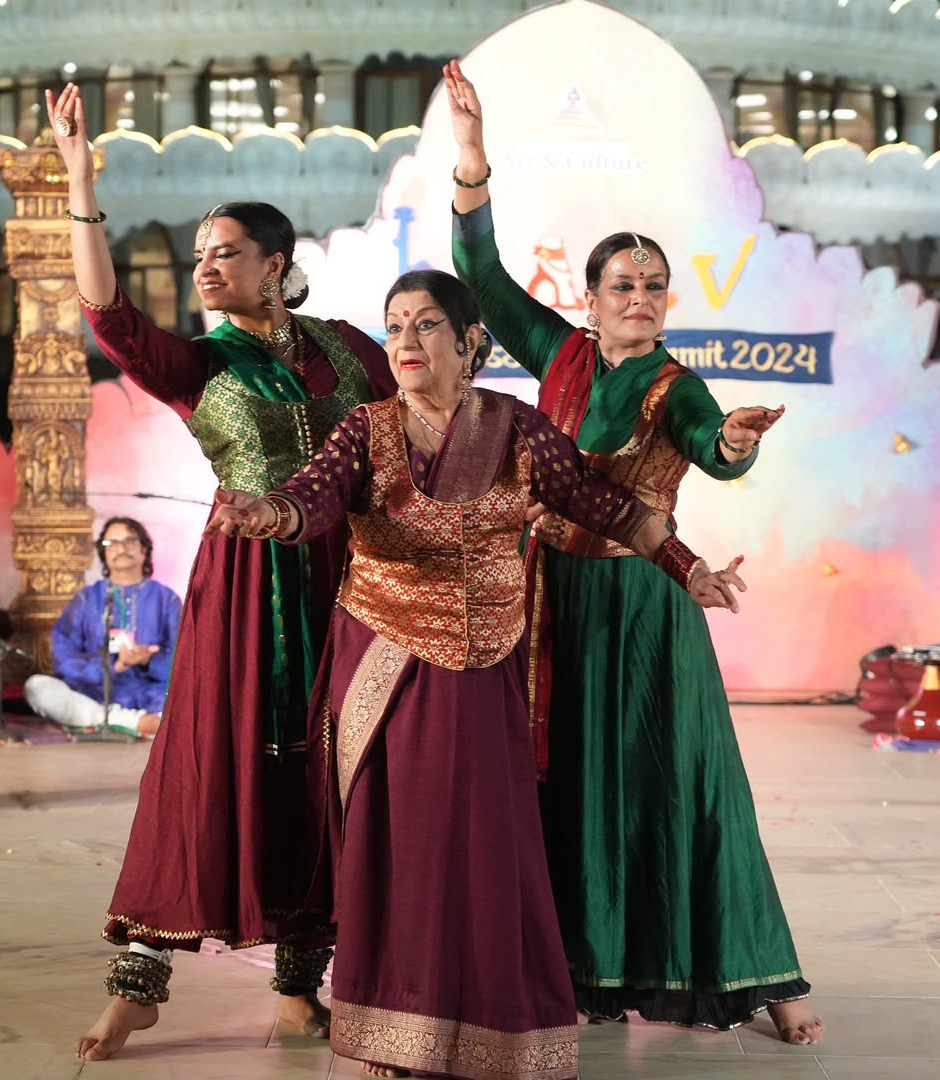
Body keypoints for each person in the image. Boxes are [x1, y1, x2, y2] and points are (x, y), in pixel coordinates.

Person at [207, 269, 746, 1079]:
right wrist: (270, 513)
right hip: (386, 660)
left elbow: (601, 503)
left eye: (426, 326)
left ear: (470, 345)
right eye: (394, 328)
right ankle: (396, 1035)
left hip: (487, 663)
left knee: (490, 848)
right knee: (402, 849)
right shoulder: (366, 428)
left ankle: (497, 1030)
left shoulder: (517, 429)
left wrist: (685, 564)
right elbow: (313, 499)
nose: (405, 342)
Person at [444, 60, 824, 1045]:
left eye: (656, 284)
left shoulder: (675, 384)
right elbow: (480, 277)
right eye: (626, 283)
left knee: (675, 780)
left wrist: (734, 443)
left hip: (645, 610)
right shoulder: (562, 354)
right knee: (565, 783)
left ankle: (758, 974)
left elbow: (711, 448)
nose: (644, 297)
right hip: (556, 602)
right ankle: (583, 969)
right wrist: (474, 161)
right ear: (593, 292)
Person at [44, 82, 396, 1062]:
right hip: (247, 588)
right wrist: (81, 180)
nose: (204, 268)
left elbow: (409, 426)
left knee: (332, 770)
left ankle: (299, 988)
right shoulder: (202, 364)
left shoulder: (350, 354)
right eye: (198, 257)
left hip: (349, 580)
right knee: (211, 769)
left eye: (224, 253)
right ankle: (140, 982)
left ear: (275, 266)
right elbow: (110, 317)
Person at [24, 516, 180, 738]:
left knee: (206, 694)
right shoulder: (87, 599)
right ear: (103, 554)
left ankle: (137, 722)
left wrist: (147, 660)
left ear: (144, 550)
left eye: (130, 541)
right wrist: (113, 666)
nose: (121, 549)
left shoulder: (166, 599)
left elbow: (187, 659)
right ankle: (137, 723)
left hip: (155, 695)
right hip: (96, 695)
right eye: (111, 543)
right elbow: (64, 656)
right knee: (37, 687)